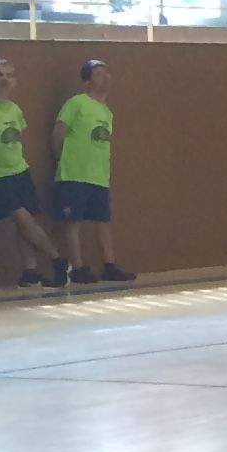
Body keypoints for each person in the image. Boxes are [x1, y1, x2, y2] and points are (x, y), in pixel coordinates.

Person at [0, 56, 63, 288]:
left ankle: (30, 271)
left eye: (9, 75)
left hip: (19, 172)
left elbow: (15, 140)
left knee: (24, 224)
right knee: (23, 219)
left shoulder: (15, 109)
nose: (4, 79)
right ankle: (58, 259)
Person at [48, 58, 130, 285]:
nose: (104, 77)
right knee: (72, 222)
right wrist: (62, 160)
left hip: (98, 176)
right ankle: (78, 268)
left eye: (106, 72)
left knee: (103, 221)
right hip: (74, 174)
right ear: (86, 82)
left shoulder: (106, 111)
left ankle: (109, 265)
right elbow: (58, 134)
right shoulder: (76, 103)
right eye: (98, 74)